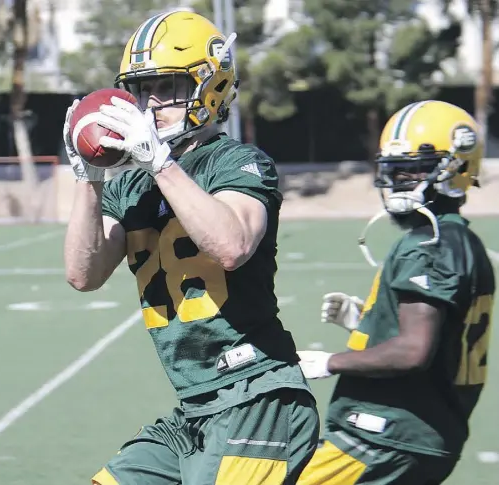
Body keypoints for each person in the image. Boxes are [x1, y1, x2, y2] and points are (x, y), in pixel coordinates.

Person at [63, 9, 319, 485]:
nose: (150, 102)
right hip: (195, 409)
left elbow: (232, 245)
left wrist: (160, 163)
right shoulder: (130, 187)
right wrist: (89, 176)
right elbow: (84, 274)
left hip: (258, 397)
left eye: (168, 86)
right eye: (142, 89)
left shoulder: (238, 162)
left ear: (211, 85)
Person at [296, 100, 496, 485]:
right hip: (423, 435)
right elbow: (439, 337)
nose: (397, 179)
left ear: (456, 168)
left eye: (414, 167)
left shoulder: (429, 243)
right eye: (393, 167)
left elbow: (413, 350)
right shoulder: (462, 239)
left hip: (386, 434)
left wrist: (328, 362)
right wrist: (372, 323)